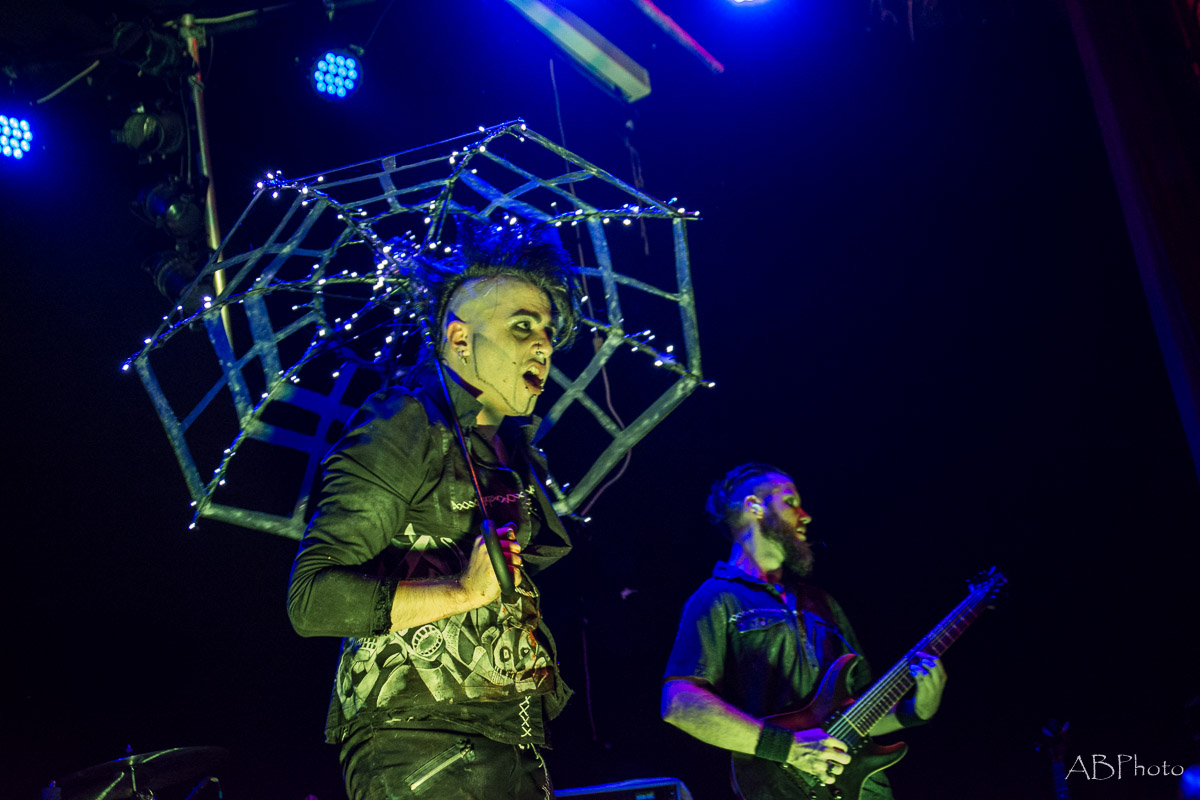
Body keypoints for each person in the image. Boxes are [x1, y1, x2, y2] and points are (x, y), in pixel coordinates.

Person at [287, 218, 581, 800]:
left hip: (515, 741)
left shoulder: (512, 451)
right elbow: (311, 600)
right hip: (421, 743)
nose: (544, 345)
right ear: (460, 339)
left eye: (548, 330)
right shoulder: (404, 422)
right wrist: (461, 591)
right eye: (522, 326)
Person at [661, 463, 947, 799]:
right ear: (754, 507)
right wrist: (790, 748)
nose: (806, 516)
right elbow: (680, 703)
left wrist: (917, 711)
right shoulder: (715, 597)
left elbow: (858, 715)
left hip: (864, 788)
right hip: (779, 790)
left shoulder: (822, 603)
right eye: (790, 502)